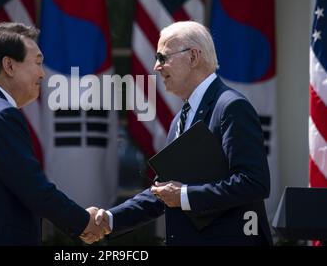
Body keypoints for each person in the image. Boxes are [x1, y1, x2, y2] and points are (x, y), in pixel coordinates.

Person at [87, 21, 272, 246]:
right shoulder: (179, 119)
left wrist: (185, 196)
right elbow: (163, 192)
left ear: (193, 57)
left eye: (163, 58)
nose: (156, 66)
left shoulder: (231, 107)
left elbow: (253, 182)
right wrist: (110, 219)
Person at [0, 22, 106, 245]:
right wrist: (83, 222)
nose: (42, 74)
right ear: (9, 66)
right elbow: (35, 190)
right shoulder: (0, 116)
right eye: (38, 63)